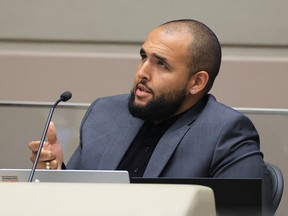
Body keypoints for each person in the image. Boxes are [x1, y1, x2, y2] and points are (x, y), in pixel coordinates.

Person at [28, 19, 272, 214]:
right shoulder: (104, 113)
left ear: (197, 82)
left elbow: (245, 211)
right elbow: (75, 204)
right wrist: (55, 172)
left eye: (161, 65)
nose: (142, 72)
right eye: (144, 57)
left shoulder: (226, 132)